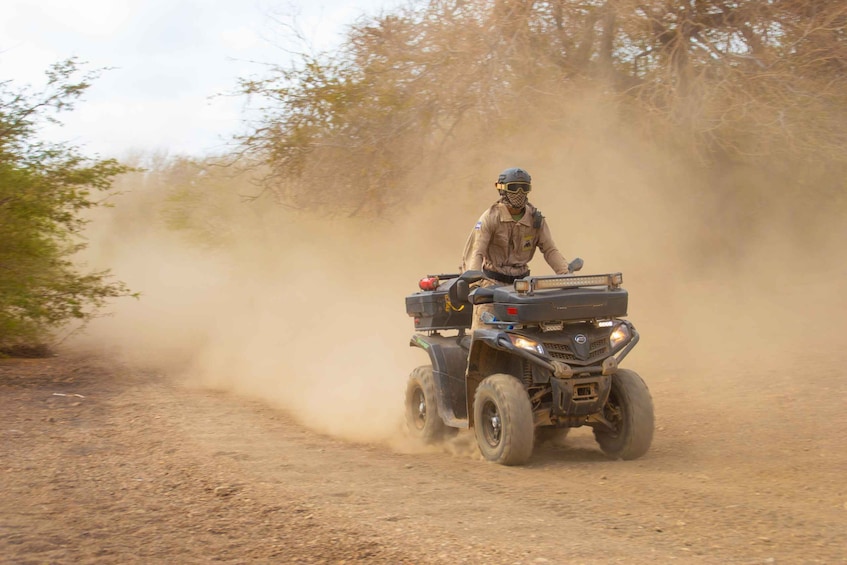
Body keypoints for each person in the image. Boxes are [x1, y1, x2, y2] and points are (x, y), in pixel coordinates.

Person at [461, 167, 571, 331]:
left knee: (534, 334)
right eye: (513, 188)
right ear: (502, 189)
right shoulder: (490, 217)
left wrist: (566, 276)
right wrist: (475, 286)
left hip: (522, 288)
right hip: (492, 287)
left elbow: (550, 250)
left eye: (524, 188)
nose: (519, 193)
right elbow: (476, 252)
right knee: (485, 335)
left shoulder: (536, 220)